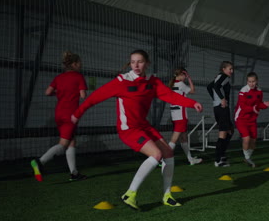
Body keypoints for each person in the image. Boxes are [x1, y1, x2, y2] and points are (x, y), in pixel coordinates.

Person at [70, 50, 202, 210]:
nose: (136, 65)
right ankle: (130, 194)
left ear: (147, 63)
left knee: (168, 153)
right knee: (156, 154)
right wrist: (77, 114)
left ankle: (167, 195)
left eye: (140, 61)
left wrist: (191, 103)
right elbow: (94, 97)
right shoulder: (122, 81)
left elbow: (169, 95)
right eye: (133, 62)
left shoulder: (152, 82)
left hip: (144, 126)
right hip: (128, 130)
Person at [30, 51, 88, 182]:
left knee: (71, 142)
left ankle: (74, 173)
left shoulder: (59, 78)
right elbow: (83, 95)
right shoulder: (78, 76)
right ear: (74, 64)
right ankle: (40, 162)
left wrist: (61, 92)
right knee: (63, 144)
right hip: (70, 115)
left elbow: (47, 92)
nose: (81, 65)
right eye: (79, 63)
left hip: (59, 114)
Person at [234, 72, 269, 168]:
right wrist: (253, 109)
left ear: (256, 81)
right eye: (249, 81)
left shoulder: (259, 91)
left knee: (253, 142)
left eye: (253, 81)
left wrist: (265, 105)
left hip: (252, 120)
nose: (251, 83)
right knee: (246, 139)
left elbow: (259, 104)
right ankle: (247, 158)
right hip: (241, 119)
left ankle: (247, 158)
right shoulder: (243, 91)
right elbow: (243, 106)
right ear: (247, 81)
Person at [168, 68, 202, 165]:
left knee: (184, 137)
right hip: (180, 115)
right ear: (182, 75)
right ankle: (163, 159)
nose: (185, 77)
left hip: (174, 115)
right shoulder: (181, 84)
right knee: (174, 139)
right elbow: (192, 91)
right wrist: (189, 79)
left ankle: (190, 159)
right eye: (184, 75)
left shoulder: (172, 84)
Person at [207, 61, 234, 167]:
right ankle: (218, 160)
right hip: (221, 108)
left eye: (232, 69)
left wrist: (215, 99)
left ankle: (221, 154)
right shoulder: (224, 76)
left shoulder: (220, 76)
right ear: (223, 69)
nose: (232, 71)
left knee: (230, 131)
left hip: (219, 107)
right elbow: (216, 86)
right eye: (230, 69)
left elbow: (210, 87)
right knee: (223, 133)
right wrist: (221, 99)